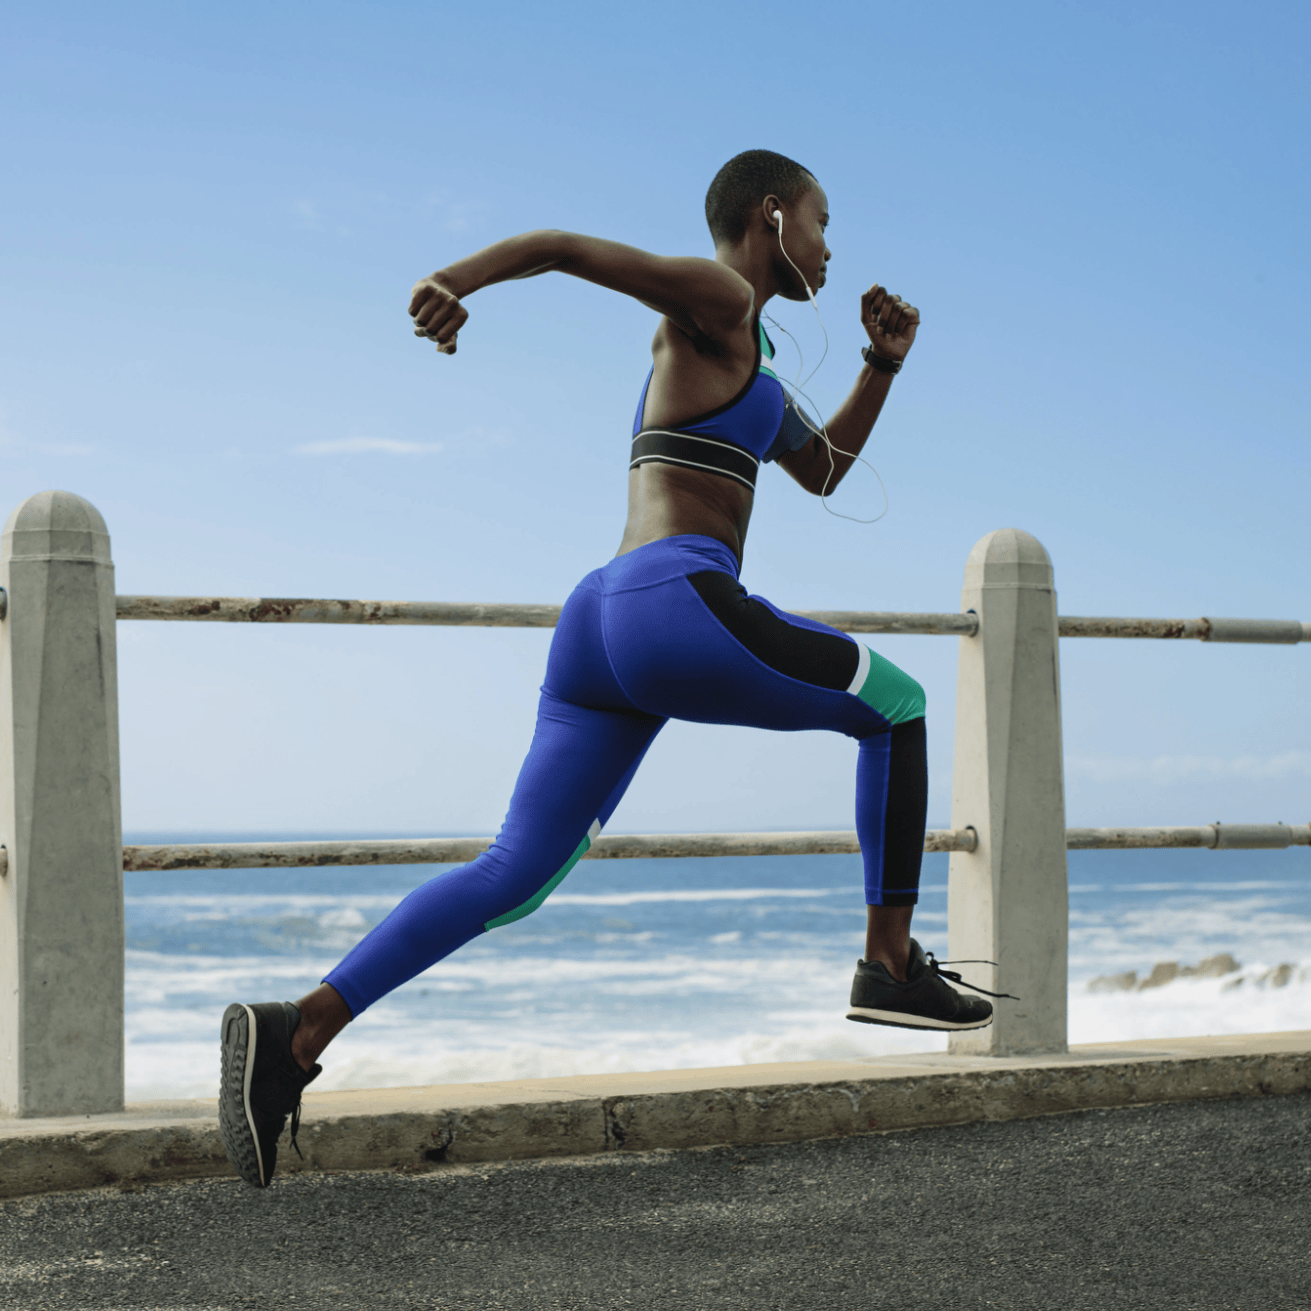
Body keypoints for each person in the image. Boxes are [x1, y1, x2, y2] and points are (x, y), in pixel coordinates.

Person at [219, 150, 994, 1189]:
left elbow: (825, 470)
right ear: (770, 217)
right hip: (673, 603)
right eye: (819, 221)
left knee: (512, 875)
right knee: (894, 707)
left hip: (602, 623)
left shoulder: (748, 359)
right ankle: (890, 961)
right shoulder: (719, 297)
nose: (828, 245)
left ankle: (298, 1031)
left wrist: (882, 364)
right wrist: (457, 279)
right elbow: (565, 249)